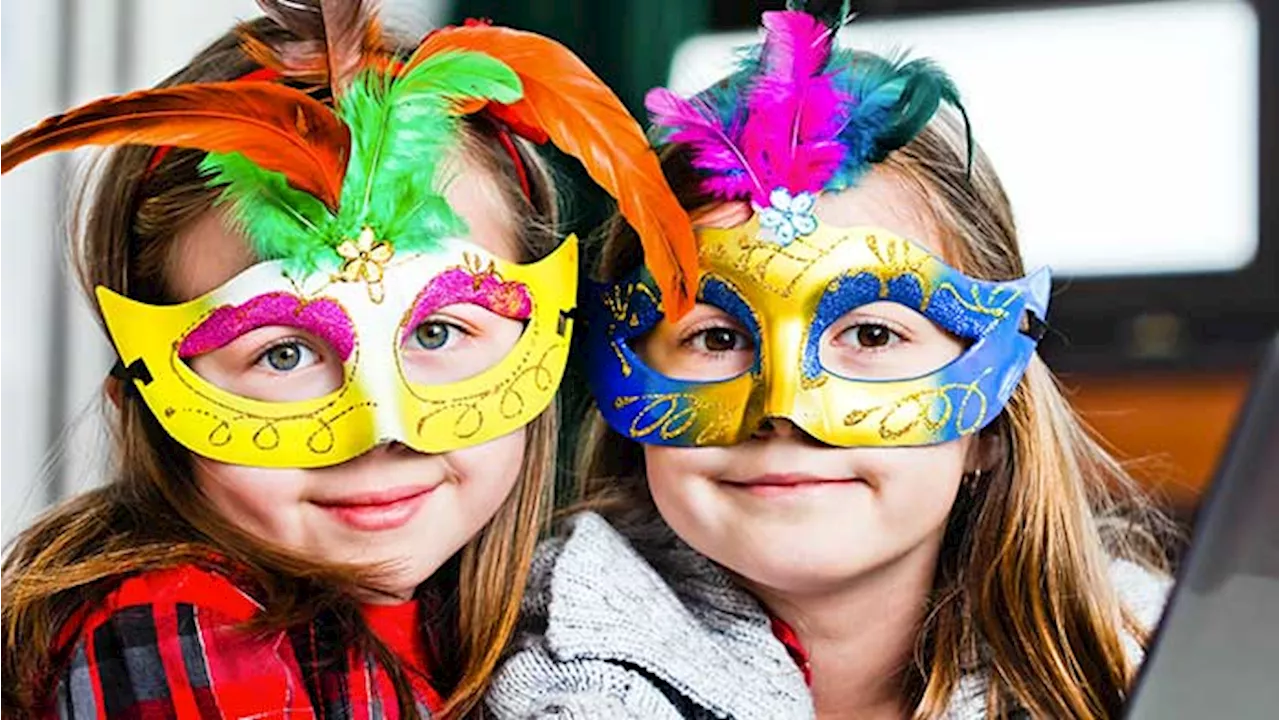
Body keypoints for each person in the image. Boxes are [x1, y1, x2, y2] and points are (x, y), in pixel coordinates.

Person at [0, 1, 694, 717]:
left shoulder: (521, 630)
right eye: (285, 353)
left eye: (436, 333)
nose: (384, 429)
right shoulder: (180, 629)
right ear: (141, 398)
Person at [488, 4, 1173, 719]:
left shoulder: (1148, 656)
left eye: (873, 336)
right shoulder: (555, 687)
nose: (782, 409)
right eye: (717, 338)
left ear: (994, 421)